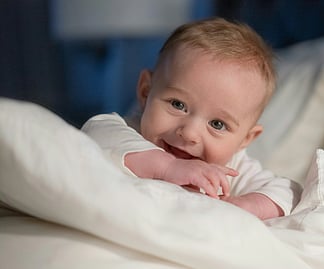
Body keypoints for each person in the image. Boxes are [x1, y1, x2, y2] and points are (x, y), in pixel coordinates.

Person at [81, 17, 301, 220]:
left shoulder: (235, 168)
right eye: (178, 105)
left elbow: (289, 192)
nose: (189, 133)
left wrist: (243, 207)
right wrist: (167, 167)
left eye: (217, 124)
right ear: (146, 92)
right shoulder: (126, 131)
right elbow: (94, 133)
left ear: (245, 139)